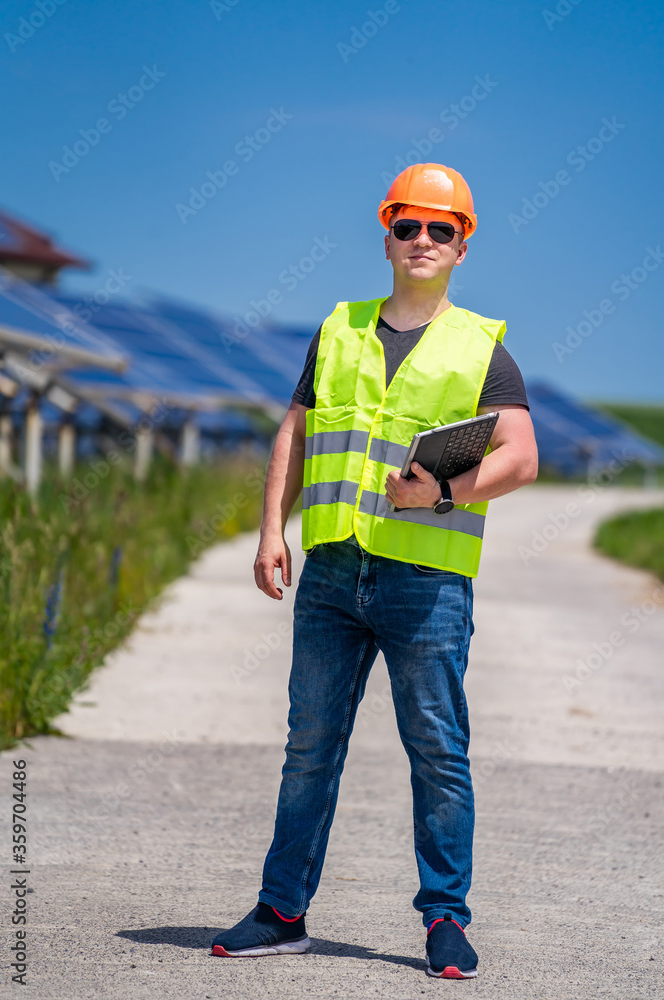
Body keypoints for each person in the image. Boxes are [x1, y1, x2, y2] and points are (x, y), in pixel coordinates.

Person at [210, 163, 538, 978]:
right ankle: (282, 910)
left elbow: (522, 457)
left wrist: (442, 493)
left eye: (441, 229)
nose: (422, 241)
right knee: (310, 746)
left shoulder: (482, 347)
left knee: (436, 750)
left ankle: (444, 921)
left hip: (424, 586)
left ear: (463, 245)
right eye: (408, 226)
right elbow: (294, 433)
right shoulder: (339, 329)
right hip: (329, 575)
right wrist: (268, 532)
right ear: (386, 234)